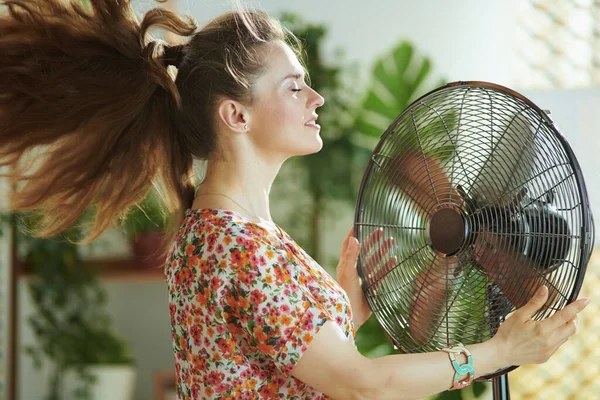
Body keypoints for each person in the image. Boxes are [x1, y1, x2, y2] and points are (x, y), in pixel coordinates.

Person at [0, 1, 590, 399]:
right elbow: (358, 384)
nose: (317, 99)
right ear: (235, 114)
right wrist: (496, 350)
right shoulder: (235, 247)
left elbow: (275, 367)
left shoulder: (234, 235)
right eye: (293, 86)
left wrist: (343, 314)